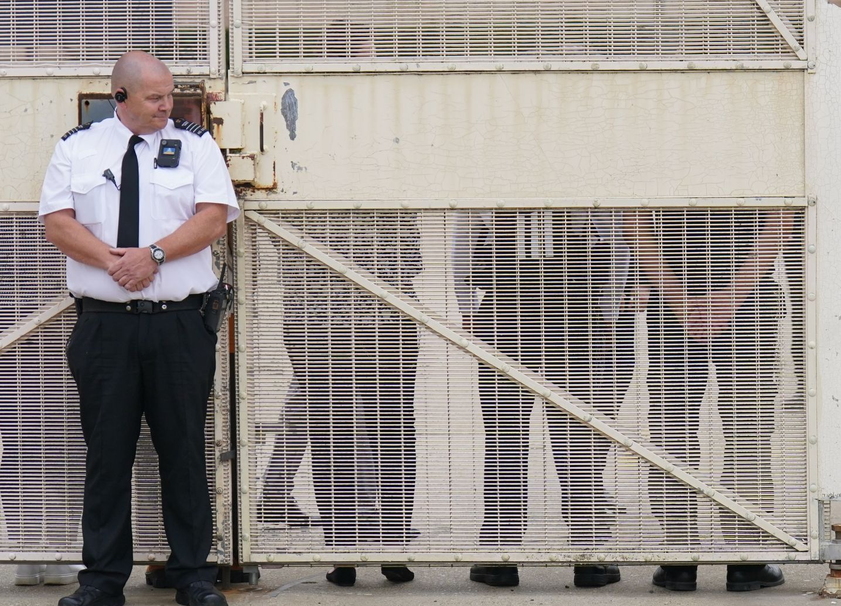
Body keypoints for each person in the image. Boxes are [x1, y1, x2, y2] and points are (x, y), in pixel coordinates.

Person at [38, 51, 240, 606]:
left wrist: (151, 255)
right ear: (120, 97)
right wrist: (114, 262)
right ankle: (102, 582)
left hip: (179, 324)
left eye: (170, 95)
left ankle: (193, 575)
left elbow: (212, 215)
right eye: (155, 97)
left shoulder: (195, 145)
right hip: (106, 328)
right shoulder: (78, 147)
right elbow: (58, 221)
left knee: (183, 450)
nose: (167, 106)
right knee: (107, 455)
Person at [452, 210, 635, 588]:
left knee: (553, 439)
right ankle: (581, 553)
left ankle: (522, 552)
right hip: (554, 309)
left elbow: (465, 235)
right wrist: (608, 308)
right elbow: (614, 235)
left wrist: (609, 306)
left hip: (540, 308)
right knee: (550, 439)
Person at [623, 207, 794, 592]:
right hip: (747, 293)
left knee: (674, 426)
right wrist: (735, 295)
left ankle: (679, 558)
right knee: (746, 428)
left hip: (676, 289)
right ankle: (744, 557)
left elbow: (635, 216)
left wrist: (674, 294)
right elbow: (779, 215)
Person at [265, 209, 421, 588]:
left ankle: (344, 551)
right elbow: (414, 256)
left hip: (315, 321)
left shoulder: (296, 199)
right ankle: (394, 549)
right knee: (393, 433)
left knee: (331, 436)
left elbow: (272, 238)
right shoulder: (390, 200)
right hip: (386, 319)